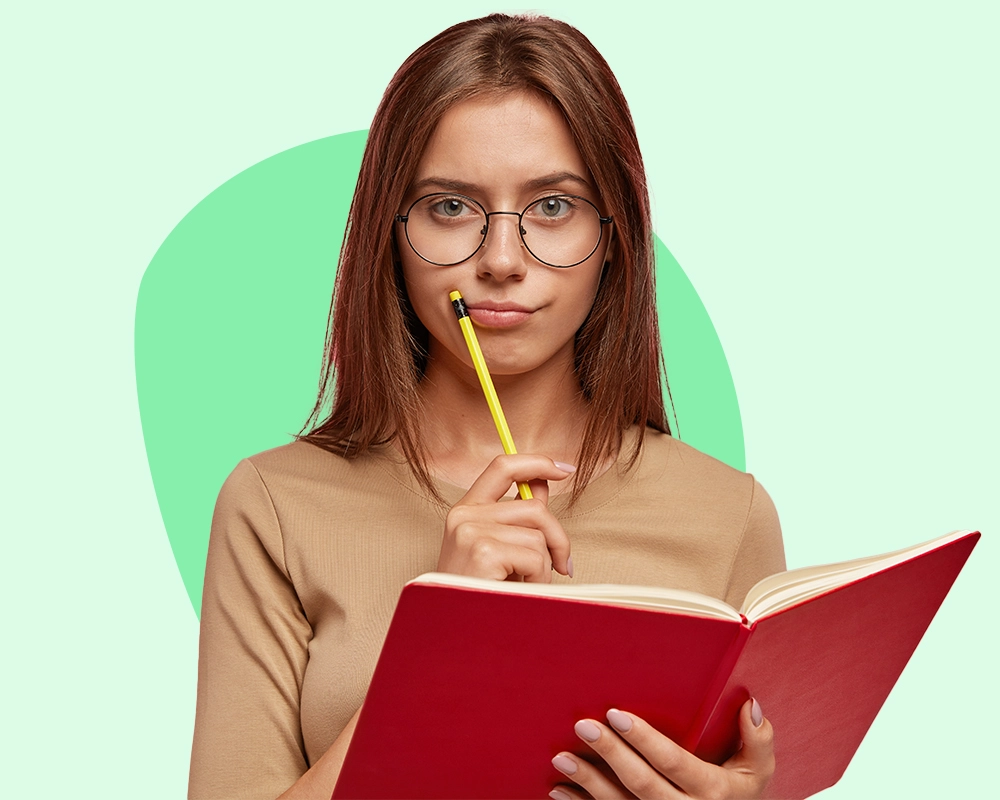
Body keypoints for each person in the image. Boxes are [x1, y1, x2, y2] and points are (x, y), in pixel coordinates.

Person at [189, 13, 786, 800]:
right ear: (389, 233)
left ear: (616, 237)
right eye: (450, 207)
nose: (501, 260)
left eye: (551, 208)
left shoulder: (726, 513)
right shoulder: (274, 506)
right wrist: (439, 640)